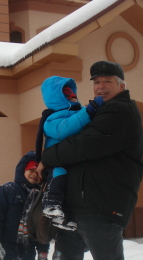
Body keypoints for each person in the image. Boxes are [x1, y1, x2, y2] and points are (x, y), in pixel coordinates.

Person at [40, 61, 143, 260]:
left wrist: (47, 156)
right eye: (96, 82)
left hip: (102, 207)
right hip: (77, 206)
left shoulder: (121, 111)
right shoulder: (96, 112)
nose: (100, 86)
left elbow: (82, 145)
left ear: (121, 85)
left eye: (107, 81)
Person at [35, 76, 103, 231]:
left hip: (73, 160)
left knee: (73, 188)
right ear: (57, 97)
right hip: (57, 163)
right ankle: (51, 205)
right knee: (59, 177)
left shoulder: (79, 113)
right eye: (67, 95)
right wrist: (89, 111)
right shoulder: (52, 118)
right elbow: (65, 129)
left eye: (73, 95)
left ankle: (66, 217)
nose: (72, 97)